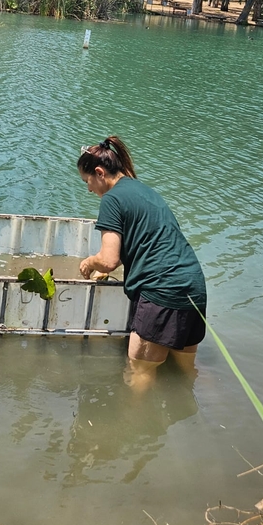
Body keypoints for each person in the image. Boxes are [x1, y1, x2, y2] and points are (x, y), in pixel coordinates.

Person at [78, 136, 206, 390]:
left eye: (87, 181)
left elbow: (109, 260)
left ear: (100, 173)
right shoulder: (144, 191)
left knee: (139, 372)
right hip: (193, 287)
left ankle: (135, 427)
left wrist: (90, 262)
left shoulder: (111, 200)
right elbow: (150, 242)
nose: (89, 189)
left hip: (161, 292)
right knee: (186, 371)